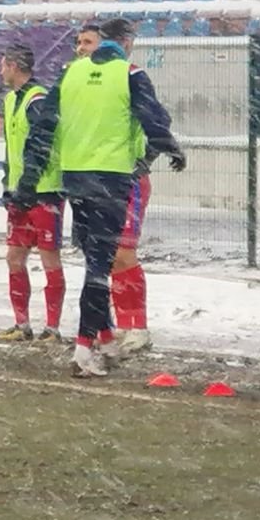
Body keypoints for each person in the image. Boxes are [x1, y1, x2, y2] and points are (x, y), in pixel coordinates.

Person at [22, 24, 185, 377]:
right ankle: (85, 348)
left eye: (86, 42)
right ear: (126, 45)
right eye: (78, 42)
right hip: (112, 178)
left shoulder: (70, 74)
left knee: (101, 261)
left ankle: (109, 338)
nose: (81, 49)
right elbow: (156, 120)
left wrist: (28, 179)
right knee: (101, 265)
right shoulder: (129, 74)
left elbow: (43, 128)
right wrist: (170, 147)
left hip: (77, 179)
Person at [96, 18, 177, 356]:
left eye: (93, 43)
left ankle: (137, 326)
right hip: (98, 177)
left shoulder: (132, 76)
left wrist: (145, 159)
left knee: (122, 253)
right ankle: (117, 325)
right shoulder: (88, 80)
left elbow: (160, 121)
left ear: (125, 43)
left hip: (126, 179)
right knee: (106, 257)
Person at [0, 44, 65, 344]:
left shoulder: (38, 100)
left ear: (13, 66)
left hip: (44, 192)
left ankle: (52, 328)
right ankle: (22, 324)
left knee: (50, 259)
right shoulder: (11, 100)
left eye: (3, 65)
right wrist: (11, 185)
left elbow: (41, 146)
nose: (0, 70)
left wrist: (28, 184)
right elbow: (14, 148)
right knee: (14, 256)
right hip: (20, 193)